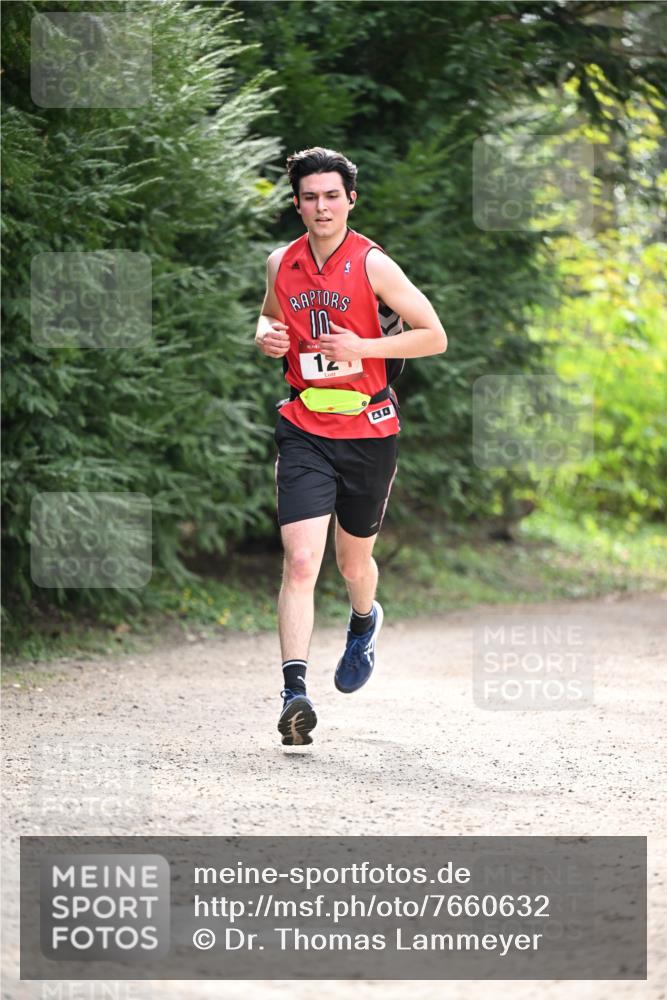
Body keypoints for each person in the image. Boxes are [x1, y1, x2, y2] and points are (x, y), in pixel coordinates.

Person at [255, 147, 447, 746]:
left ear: (350, 200)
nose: (321, 206)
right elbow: (265, 319)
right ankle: (294, 695)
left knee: (352, 562)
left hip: (368, 430)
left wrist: (363, 349)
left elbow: (433, 336)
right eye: (310, 196)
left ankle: (364, 622)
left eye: (331, 196)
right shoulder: (279, 264)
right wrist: (265, 335)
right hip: (306, 425)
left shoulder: (372, 265)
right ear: (297, 204)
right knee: (302, 561)